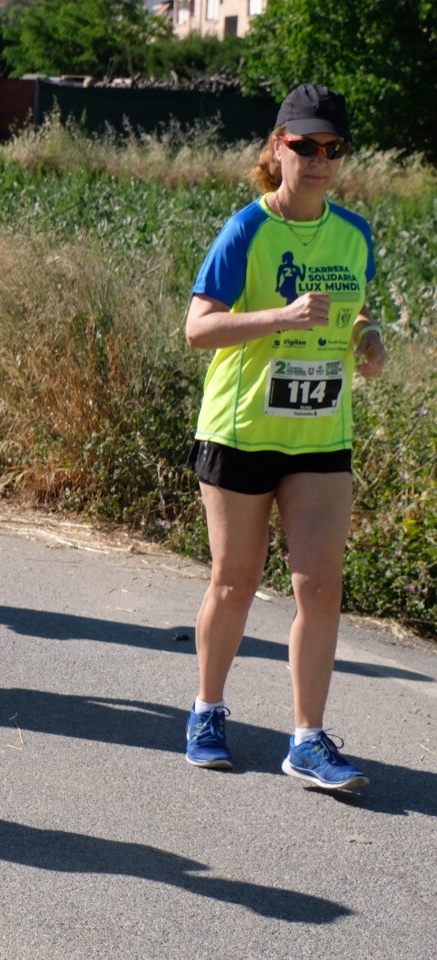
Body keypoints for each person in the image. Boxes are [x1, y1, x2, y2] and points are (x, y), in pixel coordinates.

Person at [181, 84, 388, 791]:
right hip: (241, 429)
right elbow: (198, 328)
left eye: (333, 148)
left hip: (320, 433)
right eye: (305, 145)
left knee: (320, 586)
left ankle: (306, 738)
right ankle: (207, 710)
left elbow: (351, 317)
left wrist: (369, 339)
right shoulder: (248, 230)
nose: (320, 159)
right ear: (278, 147)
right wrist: (278, 318)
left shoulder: (353, 234)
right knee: (236, 582)